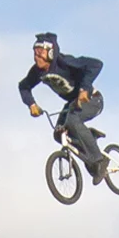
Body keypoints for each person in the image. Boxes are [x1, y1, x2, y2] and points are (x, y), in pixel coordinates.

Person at [18, 33, 108, 184]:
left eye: (40, 52)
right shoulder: (37, 72)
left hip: (93, 99)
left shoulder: (64, 62)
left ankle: (99, 160)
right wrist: (31, 104)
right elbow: (24, 86)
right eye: (34, 52)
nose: (36, 57)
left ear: (51, 52)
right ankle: (88, 138)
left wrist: (84, 89)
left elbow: (96, 64)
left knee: (72, 121)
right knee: (59, 133)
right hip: (73, 103)